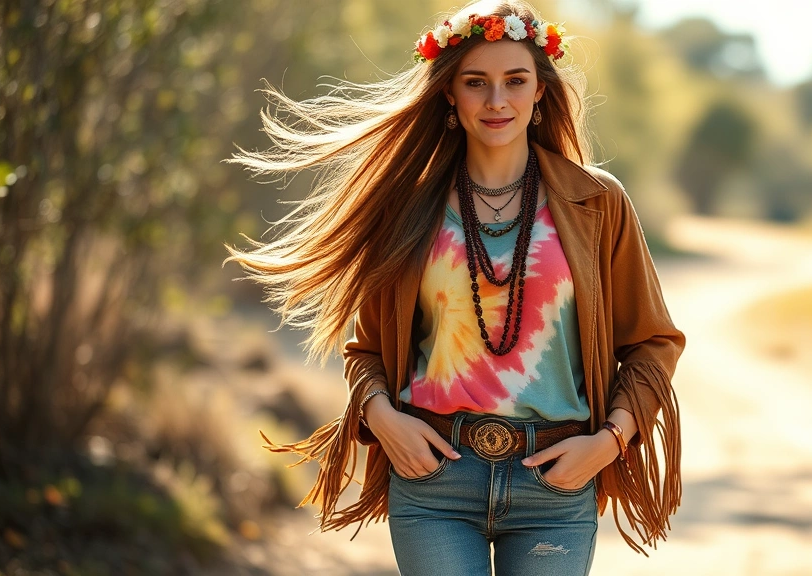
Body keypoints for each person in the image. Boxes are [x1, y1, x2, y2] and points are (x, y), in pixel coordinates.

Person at [224, 1, 686, 574]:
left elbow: (653, 342)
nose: (497, 101)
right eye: (476, 83)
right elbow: (365, 350)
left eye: (515, 81)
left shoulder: (596, 202)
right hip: (435, 479)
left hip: (556, 483)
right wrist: (385, 421)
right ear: (449, 94)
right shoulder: (407, 204)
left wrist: (610, 442)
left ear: (540, 91)